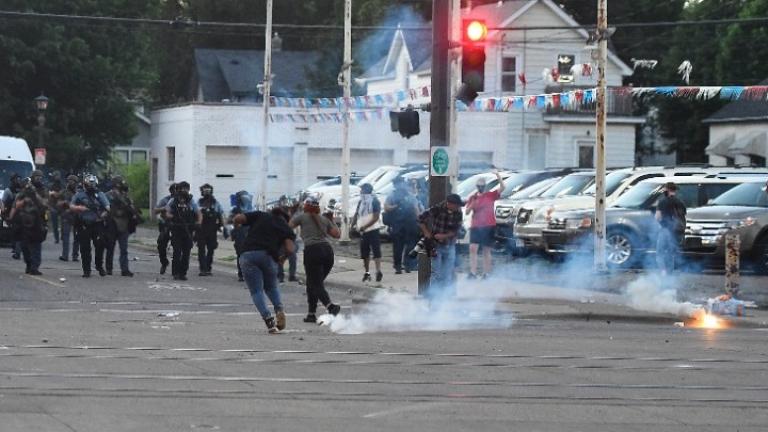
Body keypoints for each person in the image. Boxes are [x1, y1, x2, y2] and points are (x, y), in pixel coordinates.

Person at [232, 207, 296, 333]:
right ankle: (279, 309)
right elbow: (290, 249)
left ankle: (268, 320)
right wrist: (282, 258)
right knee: (271, 287)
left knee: (256, 290)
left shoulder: (260, 215)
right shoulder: (284, 227)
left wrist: (237, 224)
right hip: (268, 256)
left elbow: (238, 219)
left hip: (248, 255)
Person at [289, 196, 342, 323]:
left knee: (315, 284)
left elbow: (288, 226)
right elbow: (337, 235)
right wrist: (332, 220)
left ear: (306, 206)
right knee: (312, 284)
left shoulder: (302, 216)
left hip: (313, 251)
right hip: (327, 251)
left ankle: (331, 307)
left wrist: (293, 212)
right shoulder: (324, 219)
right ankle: (311, 314)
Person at [418, 193, 464, 296]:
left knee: (448, 274)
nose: (457, 207)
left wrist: (444, 236)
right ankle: (434, 296)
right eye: (456, 205)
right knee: (436, 274)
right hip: (436, 246)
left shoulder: (458, 213)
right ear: (449, 204)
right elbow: (420, 218)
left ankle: (445, 297)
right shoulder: (437, 209)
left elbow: (457, 230)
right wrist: (426, 233)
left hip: (450, 246)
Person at [465, 172, 505, 279]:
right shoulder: (473, 198)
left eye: (482, 185)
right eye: (479, 185)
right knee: (473, 248)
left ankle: (486, 273)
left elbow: (503, 187)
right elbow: (467, 212)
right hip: (476, 226)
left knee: (486, 250)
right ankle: (473, 272)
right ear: (477, 186)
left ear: (485, 186)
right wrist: (473, 204)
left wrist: (498, 176)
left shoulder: (490, 195)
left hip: (488, 225)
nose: (480, 187)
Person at [70, 175, 111, 278]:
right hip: (84, 224)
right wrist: (79, 208)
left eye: (92, 184)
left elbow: (108, 207)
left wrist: (104, 214)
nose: (90, 186)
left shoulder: (100, 194)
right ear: (84, 184)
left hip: (97, 223)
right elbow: (71, 206)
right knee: (85, 248)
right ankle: (86, 270)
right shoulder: (79, 195)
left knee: (100, 245)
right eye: (89, 184)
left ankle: (99, 266)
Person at [9, 179, 48, 275]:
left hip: (36, 224)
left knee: (36, 246)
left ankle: (34, 267)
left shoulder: (37, 195)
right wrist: (10, 219)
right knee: (25, 247)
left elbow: (44, 205)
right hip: (24, 224)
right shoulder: (21, 195)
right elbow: (15, 206)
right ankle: (29, 264)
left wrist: (35, 195)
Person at [165, 181, 201, 281]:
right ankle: (175, 272)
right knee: (177, 252)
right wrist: (173, 217)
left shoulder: (191, 201)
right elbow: (166, 212)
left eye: (186, 188)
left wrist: (198, 223)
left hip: (188, 230)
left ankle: (183, 273)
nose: (184, 190)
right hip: (177, 229)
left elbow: (198, 212)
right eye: (182, 188)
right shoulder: (173, 200)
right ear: (178, 189)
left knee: (186, 253)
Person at [105, 176, 140, 277]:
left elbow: (132, 208)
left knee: (124, 249)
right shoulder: (108, 195)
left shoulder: (126, 197)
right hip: (112, 222)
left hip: (124, 223)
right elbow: (106, 207)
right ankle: (109, 268)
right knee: (110, 247)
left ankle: (125, 269)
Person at [385, 177, 420, 274]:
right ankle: (398, 266)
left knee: (410, 246)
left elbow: (415, 208)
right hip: (398, 224)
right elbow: (386, 207)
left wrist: (420, 221)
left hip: (409, 224)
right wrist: (396, 206)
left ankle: (407, 265)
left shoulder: (410, 195)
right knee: (398, 247)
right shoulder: (392, 195)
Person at [353, 183, 383, 282]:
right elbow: (357, 213)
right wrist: (353, 224)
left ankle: (378, 271)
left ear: (366, 190)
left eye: (361, 190)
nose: (360, 191)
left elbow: (376, 217)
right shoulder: (361, 201)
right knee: (365, 252)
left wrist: (364, 227)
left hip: (373, 229)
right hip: (363, 230)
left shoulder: (374, 201)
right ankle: (367, 272)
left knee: (376, 250)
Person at [655, 182, 687, 276]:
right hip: (676, 232)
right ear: (675, 190)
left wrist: (662, 224)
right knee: (670, 254)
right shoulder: (680, 202)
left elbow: (657, 217)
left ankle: (663, 272)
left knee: (660, 253)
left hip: (665, 230)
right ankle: (669, 274)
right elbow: (683, 216)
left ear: (667, 190)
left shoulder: (662, 202)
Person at [197, 183, 227, 276]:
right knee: (201, 250)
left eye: (208, 191)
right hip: (201, 230)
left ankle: (208, 268)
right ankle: (203, 268)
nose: (207, 193)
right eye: (205, 191)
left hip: (212, 229)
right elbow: (195, 214)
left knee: (211, 249)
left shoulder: (216, 203)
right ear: (202, 192)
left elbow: (221, 215)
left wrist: (224, 227)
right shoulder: (199, 202)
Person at [228, 190, 253, 282]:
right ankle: (241, 273)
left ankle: (248, 273)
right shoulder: (235, 210)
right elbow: (230, 222)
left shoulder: (251, 209)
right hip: (239, 234)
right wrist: (232, 233)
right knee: (241, 254)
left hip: (249, 234)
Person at [153, 183, 176, 274]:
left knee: (177, 247)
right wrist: (164, 209)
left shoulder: (183, 200)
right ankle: (164, 262)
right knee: (161, 244)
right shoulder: (166, 200)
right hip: (165, 225)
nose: (175, 192)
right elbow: (155, 210)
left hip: (177, 226)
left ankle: (176, 267)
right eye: (174, 190)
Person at [57, 175, 81, 262]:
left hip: (77, 217)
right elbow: (58, 203)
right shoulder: (63, 192)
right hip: (66, 216)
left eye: (73, 181)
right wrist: (64, 203)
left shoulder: (79, 193)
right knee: (65, 236)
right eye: (69, 181)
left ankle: (75, 255)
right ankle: (65, 255)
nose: (71, 183)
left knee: (77, 237)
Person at [276, 196, 299, 283]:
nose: (288, 210)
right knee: (282, 257)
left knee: (292, 257)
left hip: (288, 239)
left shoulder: (289, 213)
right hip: (282, 239)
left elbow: (294, 208)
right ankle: (281, 276)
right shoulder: (280, 216)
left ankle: (290, 276)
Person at [2, 173, 24, 260]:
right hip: (11, 213)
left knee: (18, 232)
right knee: (14, 232)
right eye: (16, 179)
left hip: (21, 214)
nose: (17, 181)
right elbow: (3, 202)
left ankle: (17, 250)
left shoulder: (22, 190)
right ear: (12, 180)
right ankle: (16, 249)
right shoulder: (8, 190)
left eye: (18, 179)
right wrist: (3, 211)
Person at [47, 171, 63, 244]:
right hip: (53, 206)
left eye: (58, 175)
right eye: (56, 175)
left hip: (62, 206)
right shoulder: (51, 185)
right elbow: (49, 195)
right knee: (55, 225)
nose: (57, 177)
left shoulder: (62, 184)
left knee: (64, 223)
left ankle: (63, 236)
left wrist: (57, 194)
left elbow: (64, 193)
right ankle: (57, 238)